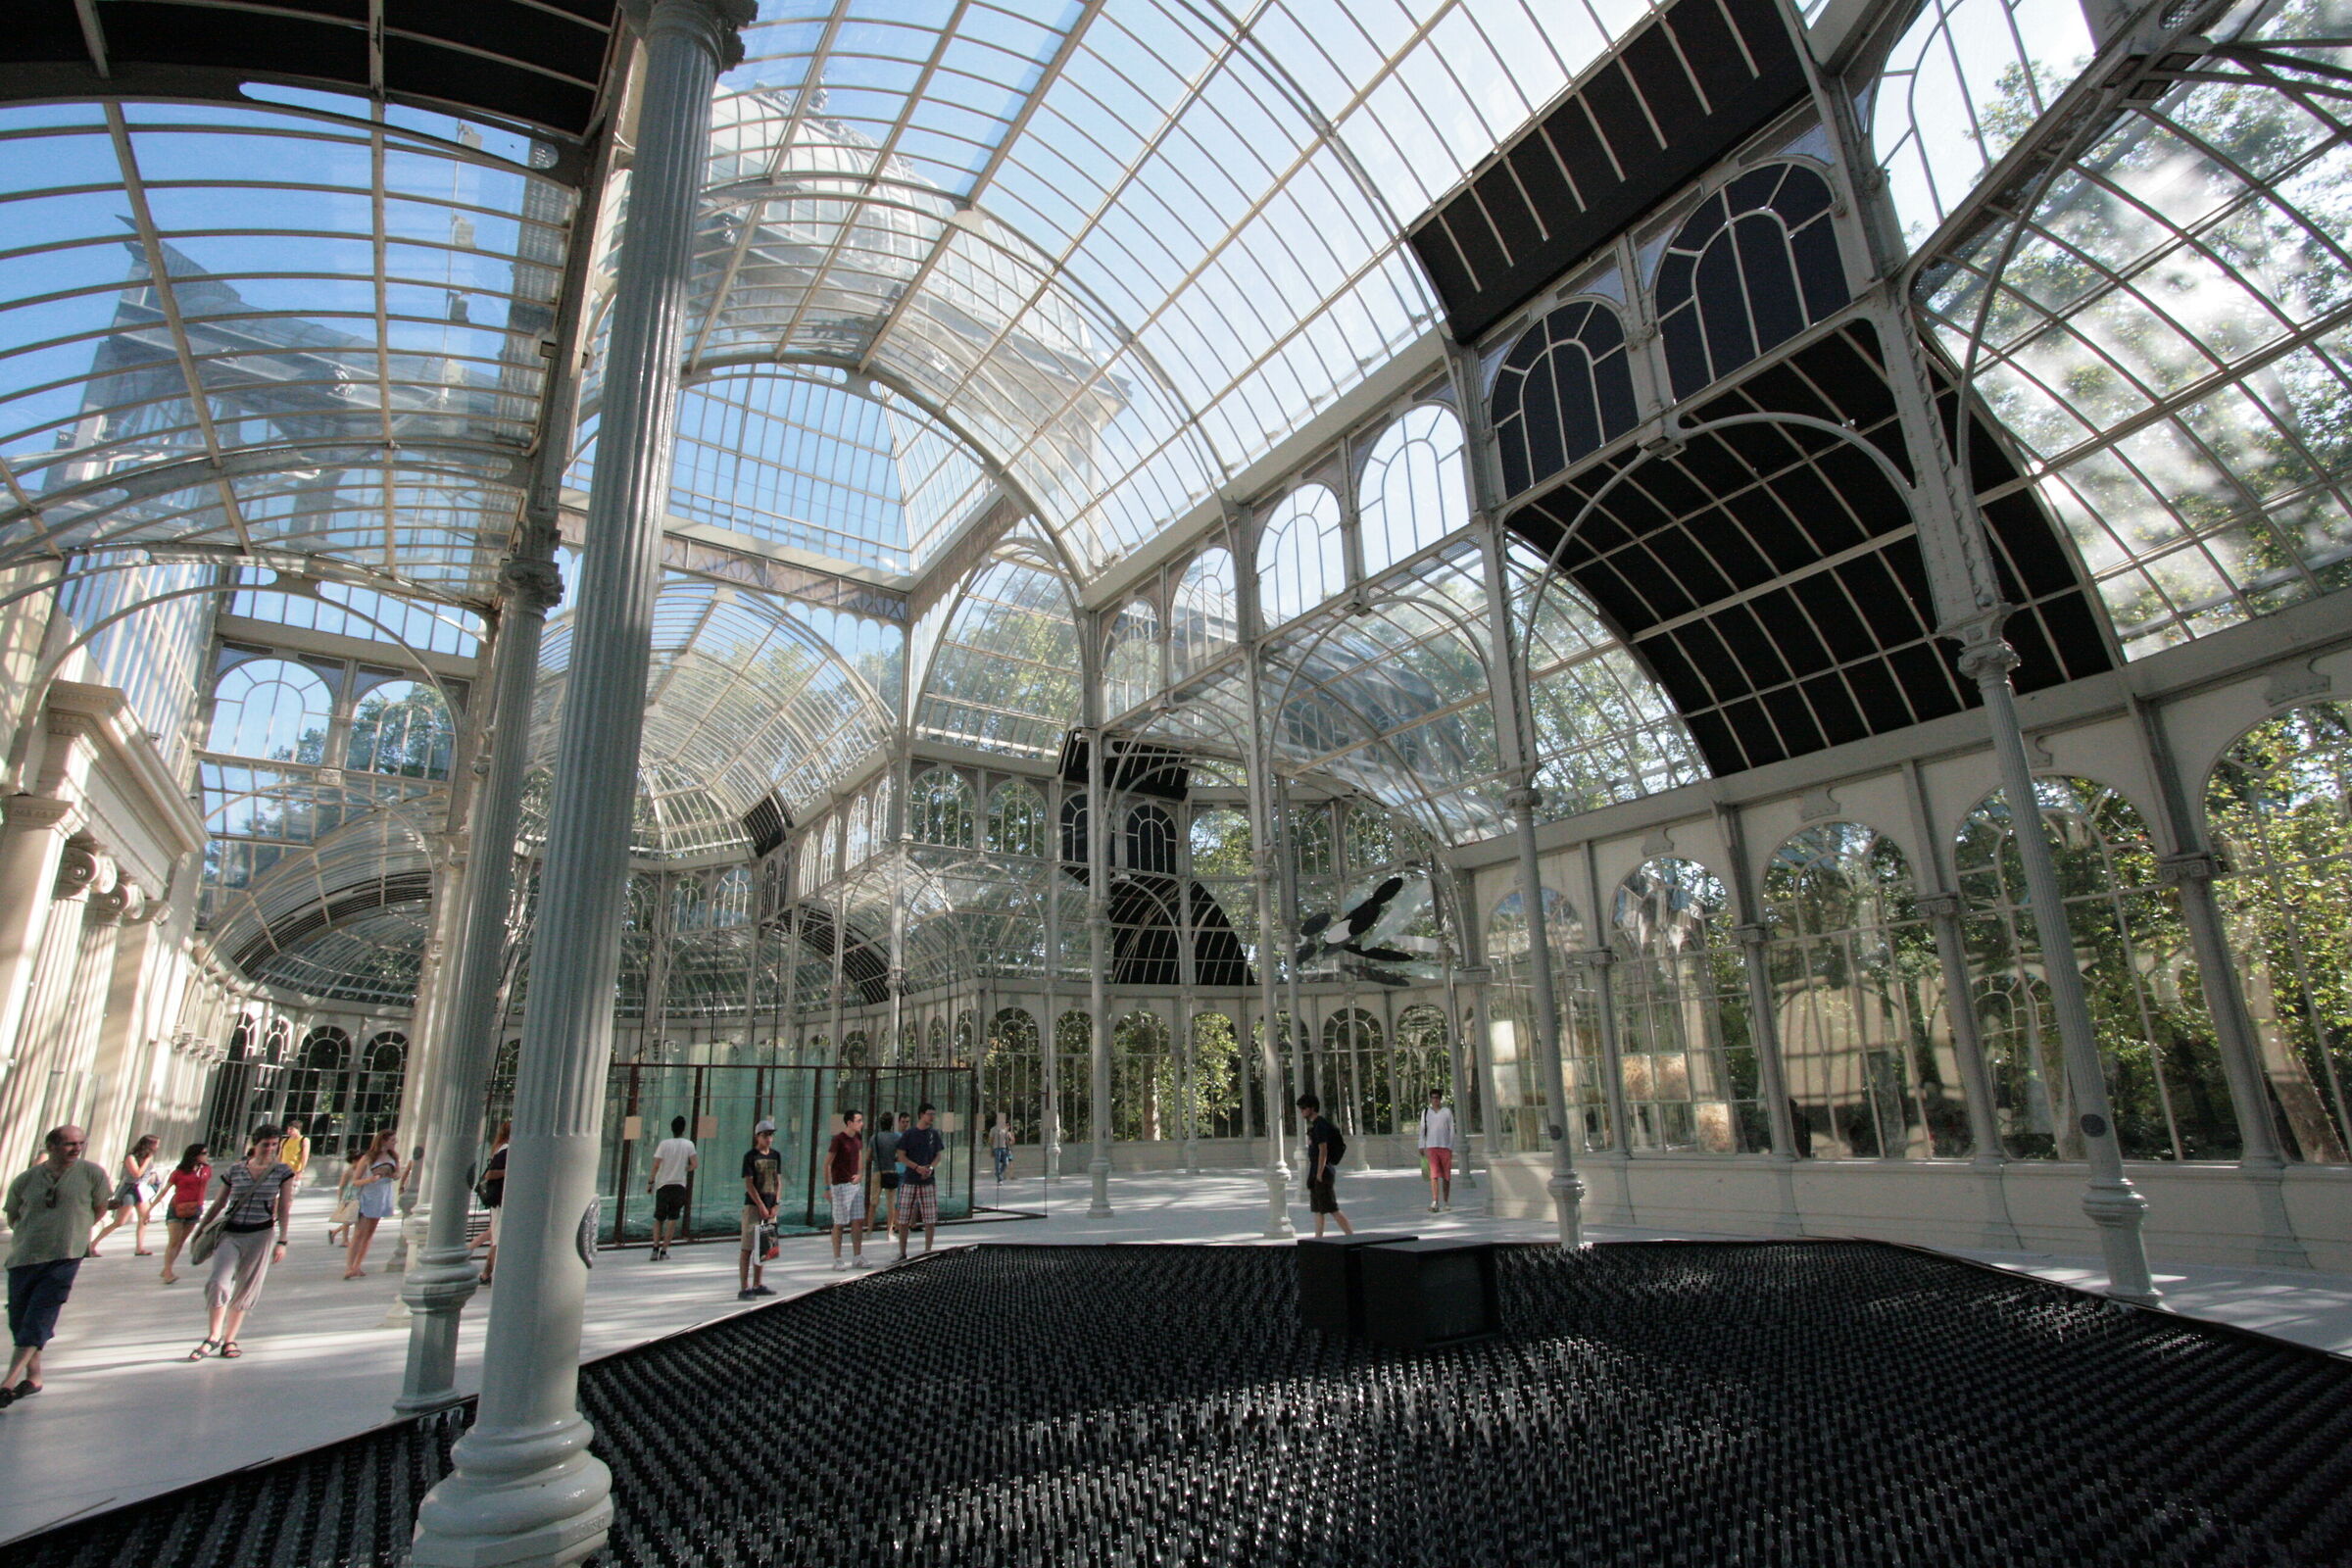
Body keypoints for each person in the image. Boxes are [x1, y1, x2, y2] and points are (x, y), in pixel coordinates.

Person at [3, 1125, 111, 1405]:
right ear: (50, 1146)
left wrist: (75, 1232)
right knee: (19, 1317)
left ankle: (7, 1382)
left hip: (65, 1255)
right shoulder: (27, 1179)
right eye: (69, 1144)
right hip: (25, 1256)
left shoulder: (92, 1174)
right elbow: (14, 1216)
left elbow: (99, 1208)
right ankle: (34, 1376)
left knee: (40, 1315)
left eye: (80, 1143)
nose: (77, 1148)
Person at [184, 1124, 296, 1361]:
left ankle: (230, 1338)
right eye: (266, 1144)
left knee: (247, 1286)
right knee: (218, 1281)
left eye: (275, 1144)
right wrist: (201, 1229)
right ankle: (213, 1335)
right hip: (231, 1232)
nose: (270, 1149)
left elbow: (284, 1206)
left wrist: (283, 1240)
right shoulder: (236, 1170)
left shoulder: (282, 1171)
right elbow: (219, 1203)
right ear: (254, 1145)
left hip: (260, 1233)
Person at [89, 1134, 162, 1256]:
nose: (158, 1147)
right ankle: (92, 1245)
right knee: (120, 1222)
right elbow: (136, 1174)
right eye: (156, 1144)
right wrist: (147, 1161)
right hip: (130, 1190)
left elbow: (148, 1173)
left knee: (144, 1219)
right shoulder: (131, 1158)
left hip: (143, 1190)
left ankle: (139, 1248)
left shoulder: (148, 1158)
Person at [343, 1130, 400, 1278]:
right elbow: (355, 1180)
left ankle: (358, 1265)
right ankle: (350, 1266)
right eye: (392, 1140)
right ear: (383, 1140)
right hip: (368, 1195)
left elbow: (397, 1173)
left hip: (383, 1195)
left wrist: (393, 1175)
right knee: (359, 1232)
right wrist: (370, 1180)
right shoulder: (368, 1158)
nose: (395, 1143)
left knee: (369, 1233)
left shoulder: (394, 1156)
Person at [738, 1117, 783, 1300]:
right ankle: (744, 1287)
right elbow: (749, 1184)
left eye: (771, 1135)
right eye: (765, 1135)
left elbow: (778, 1181)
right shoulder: (750, 1156)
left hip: (771, 1205)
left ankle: (758, 1283)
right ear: (757, 1136)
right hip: (754, 1206)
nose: (769, 1139)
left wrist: (776, 1204)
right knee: (747, 1247)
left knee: (764, 1247)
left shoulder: (775, 1155)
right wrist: (761, 1206)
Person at [894, 1103, 944, 1262]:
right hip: (910, 1180)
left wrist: (930, 1167)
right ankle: (902, 1251)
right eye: (930, 1114)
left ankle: (928, 1250)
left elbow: (938, 1155)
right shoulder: (909, 1134)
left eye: (934, 1114)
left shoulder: (934, 1134)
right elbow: (901, 1156)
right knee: (903, 1218)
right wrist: (916, 1168)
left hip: (928, 1181)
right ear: (921, 1115)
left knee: (930, 1217)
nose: (932, 1117)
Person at [158, 1143, 213, 1285]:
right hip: (177, 1208)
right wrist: (150, 1209)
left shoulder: (206, 1170)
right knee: (173, 1241)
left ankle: (167, 1268)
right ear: (195, 1155)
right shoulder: (179, 1172)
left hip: (195, 1209)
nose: (207, 1156)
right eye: (204, 1153)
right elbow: (165, 1190)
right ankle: (168, 1272)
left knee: (181, 1242)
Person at [1298, 1095, 1351, 1238]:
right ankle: (1318, 1237)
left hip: (1322, 1170)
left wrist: (1320, 1172)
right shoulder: (1316, 1125)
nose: (1301, 1111)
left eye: (1304, 1108)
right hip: (1316, 1169)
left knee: (1331, 1207)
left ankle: (1351, 1235)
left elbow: (1323, 1149)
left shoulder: (1320, 1125)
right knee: (1318, 1209)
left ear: (1312, 1108)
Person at [646, 1115, 697, 1260]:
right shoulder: (688, 1144)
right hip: (679, 1185)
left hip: (663, 1184)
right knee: (673, 1219)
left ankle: (655, 1248)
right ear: (684, 1129)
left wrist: (651, 1181)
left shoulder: (664, 1144)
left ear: (671, 1128)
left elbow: (656, 1165)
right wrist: (685, 1168)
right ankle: (664, 1250)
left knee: (659, 1218)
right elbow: (695, 1164)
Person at [825, 1109, 868, 1271]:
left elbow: (859, 1157)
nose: (861, 1124)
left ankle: (857, 1256)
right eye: (858, 1120)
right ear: (849, 1122)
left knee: (857, 1220)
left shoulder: (857, 1138)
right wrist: (828, 1187)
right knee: (840, 1222)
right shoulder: (838, 1140)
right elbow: (827, 1163)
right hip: (840, 1186)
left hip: (854, 1185)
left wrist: (860, 1174)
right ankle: (837, 1258)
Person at [474, 1123, 510, 1286]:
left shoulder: (502, 1148)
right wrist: (510, 1170)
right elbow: (490, 1174)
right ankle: (488, 1273)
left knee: (497, 1236)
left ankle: (486, 1274)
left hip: (503, 1200)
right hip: (500, 1200)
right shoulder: (505, 1150)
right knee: (498, 1239)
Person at [1419, 1087, 1457, 1212]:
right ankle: (1435, 1200)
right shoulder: (1425, 1112)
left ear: (1440, 1099)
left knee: (1446, 1175)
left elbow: (1451, 1129)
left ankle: (1446, 1201)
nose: (1435, 1100)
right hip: (1432, 1146)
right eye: (1433, 1098)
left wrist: (1450, 1146)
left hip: (1445, 1146)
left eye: (1437, 1098)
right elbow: (1423, 1129)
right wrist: (1421, 1145)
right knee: (1433, 1175)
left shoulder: (1446, 1112)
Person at [870, 1111, 903, 1247]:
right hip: (891, 1171)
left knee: (873, 1202)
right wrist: (892, 1158)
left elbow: (868, 1157)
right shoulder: (896, 1138)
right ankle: (889, 1232)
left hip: (877, 1171)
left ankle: (869, 1230)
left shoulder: (874, 1138)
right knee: (891, 1203)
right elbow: (900, 1157)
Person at [326, 1142, 365, 1249]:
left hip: (359, 1196)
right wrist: (340, 1200)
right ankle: (344, 1239)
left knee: (355, 1218)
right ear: (354, 1161)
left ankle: (335, 1232)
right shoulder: (349, 1171)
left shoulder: (361, 1170)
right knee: (348, 1219)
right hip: (349, 1197)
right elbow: (342, 1185)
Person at [278, 1120, 310, 1189]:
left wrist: (301, 1171)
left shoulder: (304, 1140)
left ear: (298, 1129)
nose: (289, 1131)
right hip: (283, 1170)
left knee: (290, 1193)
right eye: (288, 1129)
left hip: (294, 1171)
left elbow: (305, 1157)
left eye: (291, 1129)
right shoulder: (284, 1141)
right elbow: (279, 1156)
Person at [989, 1113, 1013, 1184]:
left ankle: (998, 1174)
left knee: (1006, 1163)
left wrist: (1009, 1148)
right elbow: (991, 1140)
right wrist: (991, 1150)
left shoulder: (1004, 1129)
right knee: (997, 1163)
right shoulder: (993, 1129)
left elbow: (1008, 1139)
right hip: (996, 1148)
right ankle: (999, 1179)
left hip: (1004, 1148)